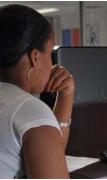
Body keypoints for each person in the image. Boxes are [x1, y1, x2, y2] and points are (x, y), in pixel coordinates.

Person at [0, 4, 75, 178]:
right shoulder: (28, 109)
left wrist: (66, 95)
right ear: (35, 58)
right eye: (50, 52)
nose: (52, 64)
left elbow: (49, 152)